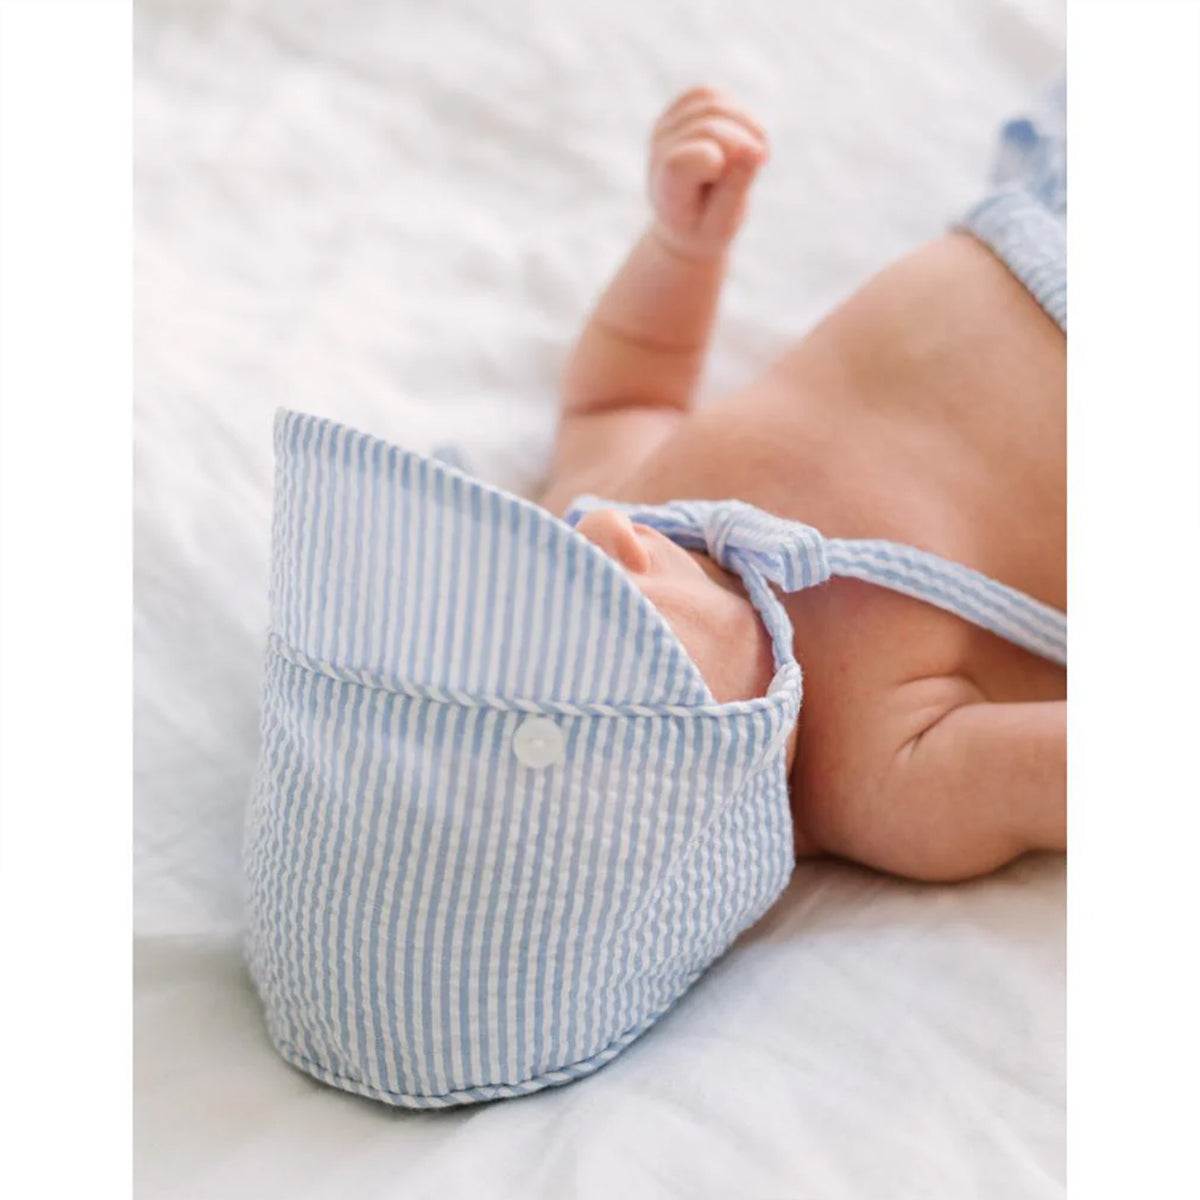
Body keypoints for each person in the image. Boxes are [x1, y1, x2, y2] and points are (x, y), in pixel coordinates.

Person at [537, 85, 1066, 883]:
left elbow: (622, 394)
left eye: (534, 574)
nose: (604, 539)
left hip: (1043, 209)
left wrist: (681, 247)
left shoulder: (603, 512)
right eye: (604, 635)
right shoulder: (883, 783)